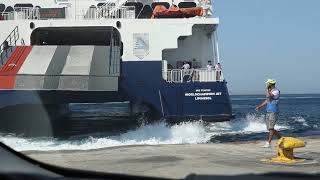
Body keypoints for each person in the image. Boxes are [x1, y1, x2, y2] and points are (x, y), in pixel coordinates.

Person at [255, 79, 282, 148]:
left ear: (270, 84)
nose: (266, 85)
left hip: (273, 111)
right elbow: (267, 100)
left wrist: (267, 89)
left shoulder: (276, 91)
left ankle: (268, 143)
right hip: (268, 111)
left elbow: (268, 96)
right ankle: (281, 139)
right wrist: (260, 107)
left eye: (267, 83)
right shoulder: (271, 91)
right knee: (270, 128)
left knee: (271, 128)